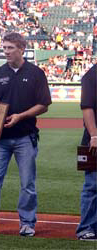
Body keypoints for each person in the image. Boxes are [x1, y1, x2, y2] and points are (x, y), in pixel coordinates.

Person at [0, 32, 52, 237]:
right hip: (0, 140)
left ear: (21, 48)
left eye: (10, 48)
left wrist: (21, 116)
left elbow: (44, 105)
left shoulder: (36, 73)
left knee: (27, 183)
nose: (6, 52)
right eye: (4, 48)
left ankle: (27, 223)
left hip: (25, 137)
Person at [76, 64, 97, 241]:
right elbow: (87, 107)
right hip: (94, 141)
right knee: (92, 186)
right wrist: (94, 135)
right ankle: (86, 227)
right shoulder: (91, 75)